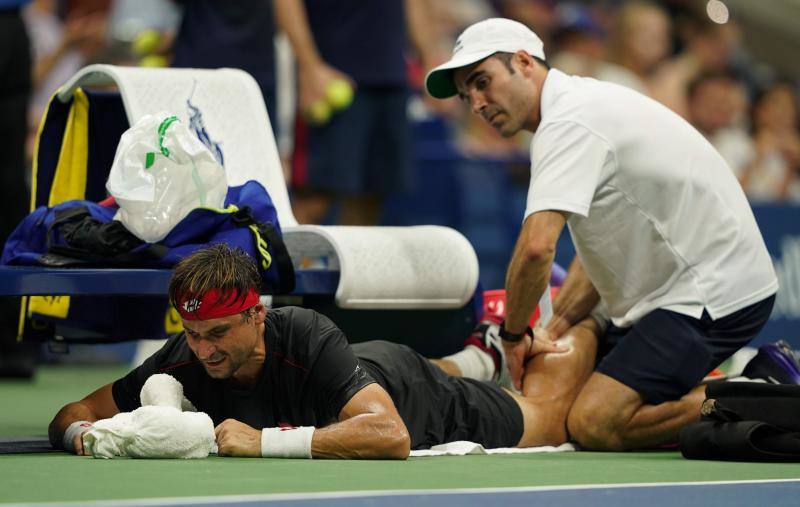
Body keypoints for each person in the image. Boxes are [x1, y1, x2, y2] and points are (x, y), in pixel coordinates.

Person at [425, 18, 778, 451]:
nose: (477, 102)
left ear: (523, 62)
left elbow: (537, 249)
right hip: (679, 287)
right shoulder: (579, 103)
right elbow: (600, 249)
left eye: (483, 82)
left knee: (594, 423)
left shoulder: (569, 122)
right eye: (467, 95)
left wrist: (515, 337)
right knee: (576, 400)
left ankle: (761, 392)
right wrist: (557, 327)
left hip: (715, 293)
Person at [49, 244, 599, 459]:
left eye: (218, 335)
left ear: (255, 316)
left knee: (554, 420)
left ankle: (585, 313)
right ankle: (485, 352)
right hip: (356, 368)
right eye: (194, 335)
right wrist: (85, 435)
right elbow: (73, 413)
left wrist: (263, 441)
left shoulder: (304, 333)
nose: (204, 350)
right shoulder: (184, 356)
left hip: (410, 394)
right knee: (358, 375)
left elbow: (391, 435)